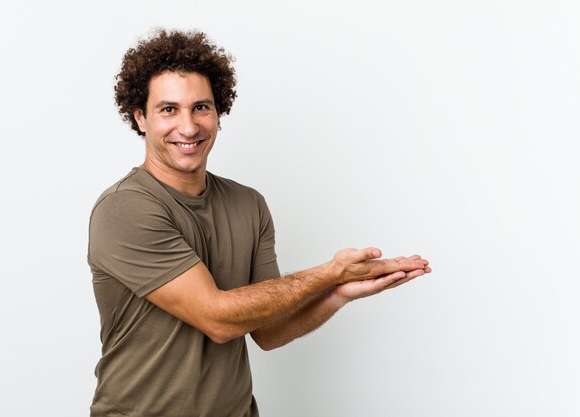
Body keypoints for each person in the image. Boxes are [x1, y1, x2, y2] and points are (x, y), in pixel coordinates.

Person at [88, 29, 431, 417]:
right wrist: (329, 272)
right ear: (140, 118)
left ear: (219, 112)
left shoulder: (247, 204)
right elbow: (217, 318)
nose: (188, 126)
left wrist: (340, 291)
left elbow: (267, 332)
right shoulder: (125, 209)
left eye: (201, 107)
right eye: (168, 109)